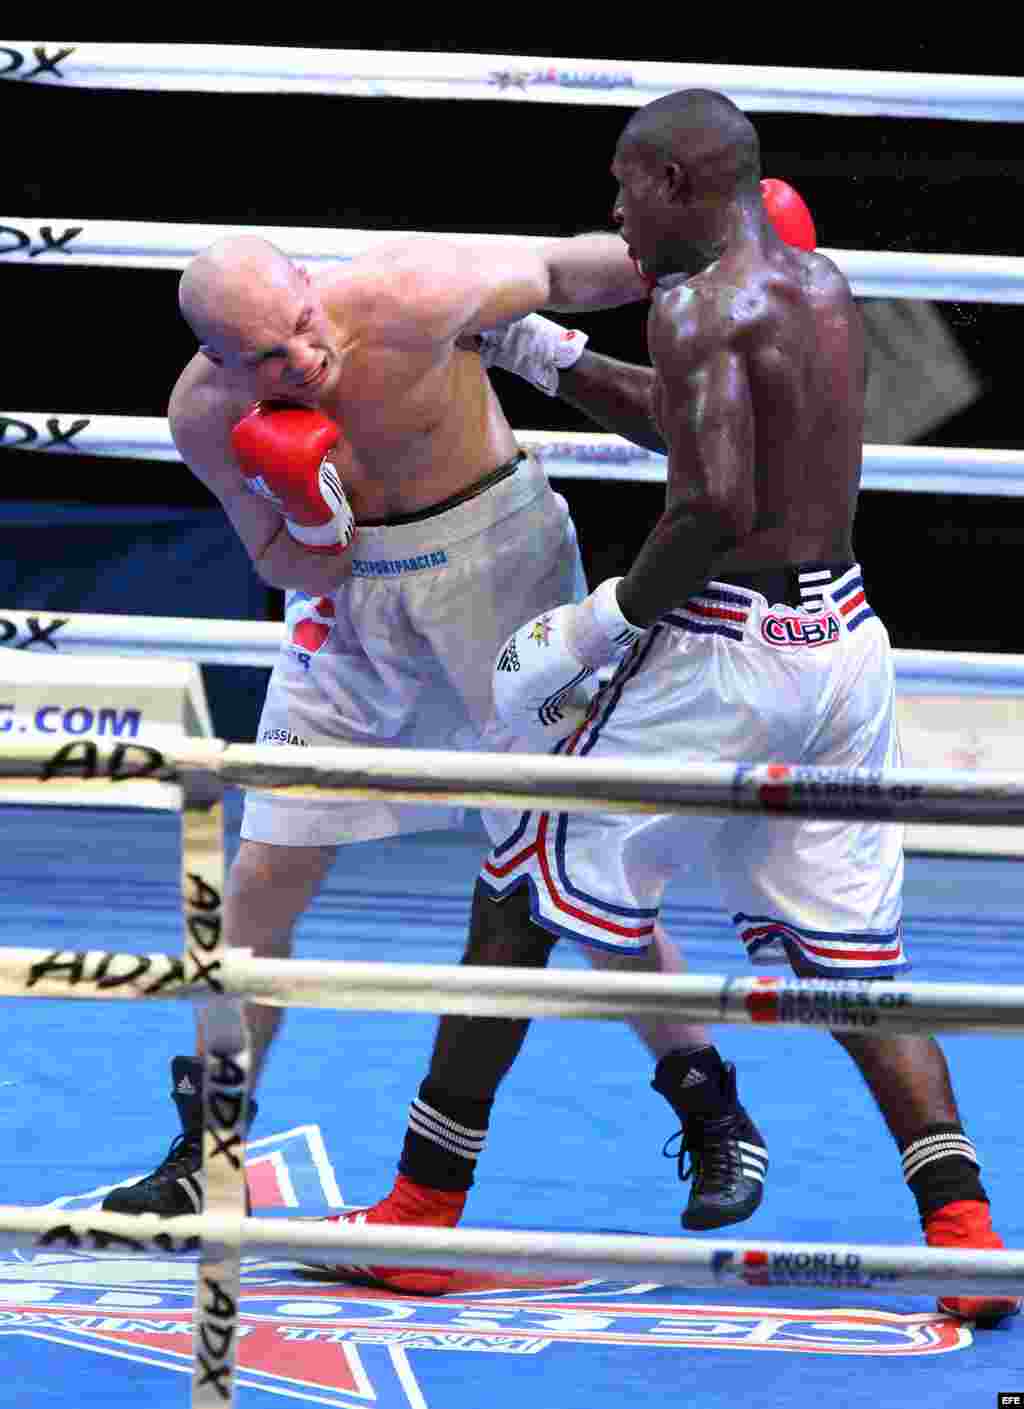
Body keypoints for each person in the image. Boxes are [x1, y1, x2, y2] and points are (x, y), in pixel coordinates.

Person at [317, 89, 1019, 1325]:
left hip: (725, 656)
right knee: (852, 957)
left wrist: (599, 626)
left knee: (521, 879)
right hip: (843, 646)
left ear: (683, 182)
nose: (614, 212)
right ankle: (962, 1226)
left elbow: (709, 505)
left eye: (627, 185)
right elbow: (705, 432)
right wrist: (555, 357)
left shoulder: (691, 306)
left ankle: (419, 1216)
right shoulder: (821, 289)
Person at [101, 225, 765, 1233]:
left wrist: (690, 253)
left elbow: (561, 271)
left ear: (309, 287)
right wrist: (314, 521)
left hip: (497, 570)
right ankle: (205, 1149)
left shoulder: (409, 295)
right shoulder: (205, 413)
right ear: (225, 362)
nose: (303, 359)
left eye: (303, 324)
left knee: (571, 864)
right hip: (351, 605)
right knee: (259, 879)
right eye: (270, 356)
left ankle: (714, 1110)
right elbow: (284, 563)